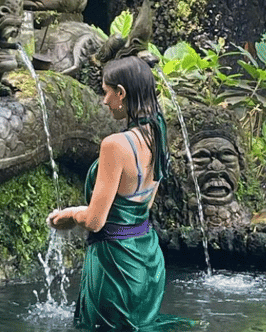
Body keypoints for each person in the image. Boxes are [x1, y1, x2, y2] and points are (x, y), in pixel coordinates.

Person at [47, 55, 173, 330]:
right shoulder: (158, 132)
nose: (104, 101)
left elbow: (95, 221)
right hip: (147, 259)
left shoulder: (115, 145)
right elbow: (145, 204)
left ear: (121, 93)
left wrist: (70, 214)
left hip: (115, 265)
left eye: (106, 92)